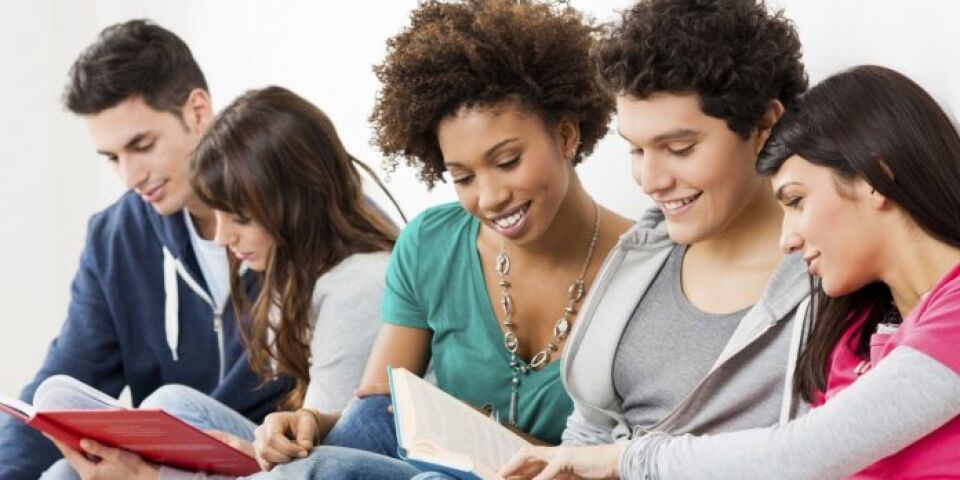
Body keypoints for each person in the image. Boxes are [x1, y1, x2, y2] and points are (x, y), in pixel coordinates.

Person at [503, 65, 960, 479]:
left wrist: (626, 460)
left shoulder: (952, 315)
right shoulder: (854, 328)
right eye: (636, 150)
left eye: (798, 202)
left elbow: (800, 455)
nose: (789, 240)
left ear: (873, 179)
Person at [249, 0, 633, 478]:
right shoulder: (432, 243)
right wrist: (308, 421)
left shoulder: (641, 269)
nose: (490, 198)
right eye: (463, 176)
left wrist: (489, 436)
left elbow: (628, 460)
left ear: (567, 135)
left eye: (508, 161)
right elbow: (374, 418)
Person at [496, 0, 812, 477]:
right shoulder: (646, 255)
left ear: (764, 125)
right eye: (636, 149)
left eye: (679, 149)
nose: (650, 179)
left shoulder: (820, 278)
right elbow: (591, 432)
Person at [47, 86, 399, 479]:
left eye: (240, 219)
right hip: (314, 458)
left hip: (341, 464)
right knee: (159, 410)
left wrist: (153, 478)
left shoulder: (356, 289)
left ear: (299, 206)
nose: (221, 239)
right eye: (113, 158)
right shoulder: (290, 276)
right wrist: (251, 452)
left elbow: (325, 466)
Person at [0, 20, 290, 480]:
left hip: (271, 458)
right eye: (113, 158)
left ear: (198, 111)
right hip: (174, 462)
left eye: (142, 145)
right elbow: (66, 378)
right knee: (60, 475)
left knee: (171, 404)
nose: (130, 176)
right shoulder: (115, 238)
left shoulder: (297, 206)